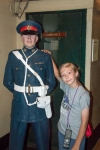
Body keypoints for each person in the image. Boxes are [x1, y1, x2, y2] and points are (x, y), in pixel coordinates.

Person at [3, 20, 56, 150]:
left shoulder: (45, 56)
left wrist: (40, 92)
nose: (29, 38)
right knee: (16, 141)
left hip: (39, 104)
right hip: (19, 104)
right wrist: (21, 93)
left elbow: (52, 82)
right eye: (26, 35)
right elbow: (7, 81)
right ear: (21, 38)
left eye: (32, 35)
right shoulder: (13, 56)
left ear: (37, 38)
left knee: (43, 140)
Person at [43, 50, 90, 150]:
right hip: (62, 131)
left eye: (69, 72)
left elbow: (84, 122)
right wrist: (50, 57)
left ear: (76, 73)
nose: (66, 76)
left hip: (76, 136)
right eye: (63, 75)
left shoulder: (83, 95)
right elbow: (56, 74)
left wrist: (77, 144)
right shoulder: (66, 86)